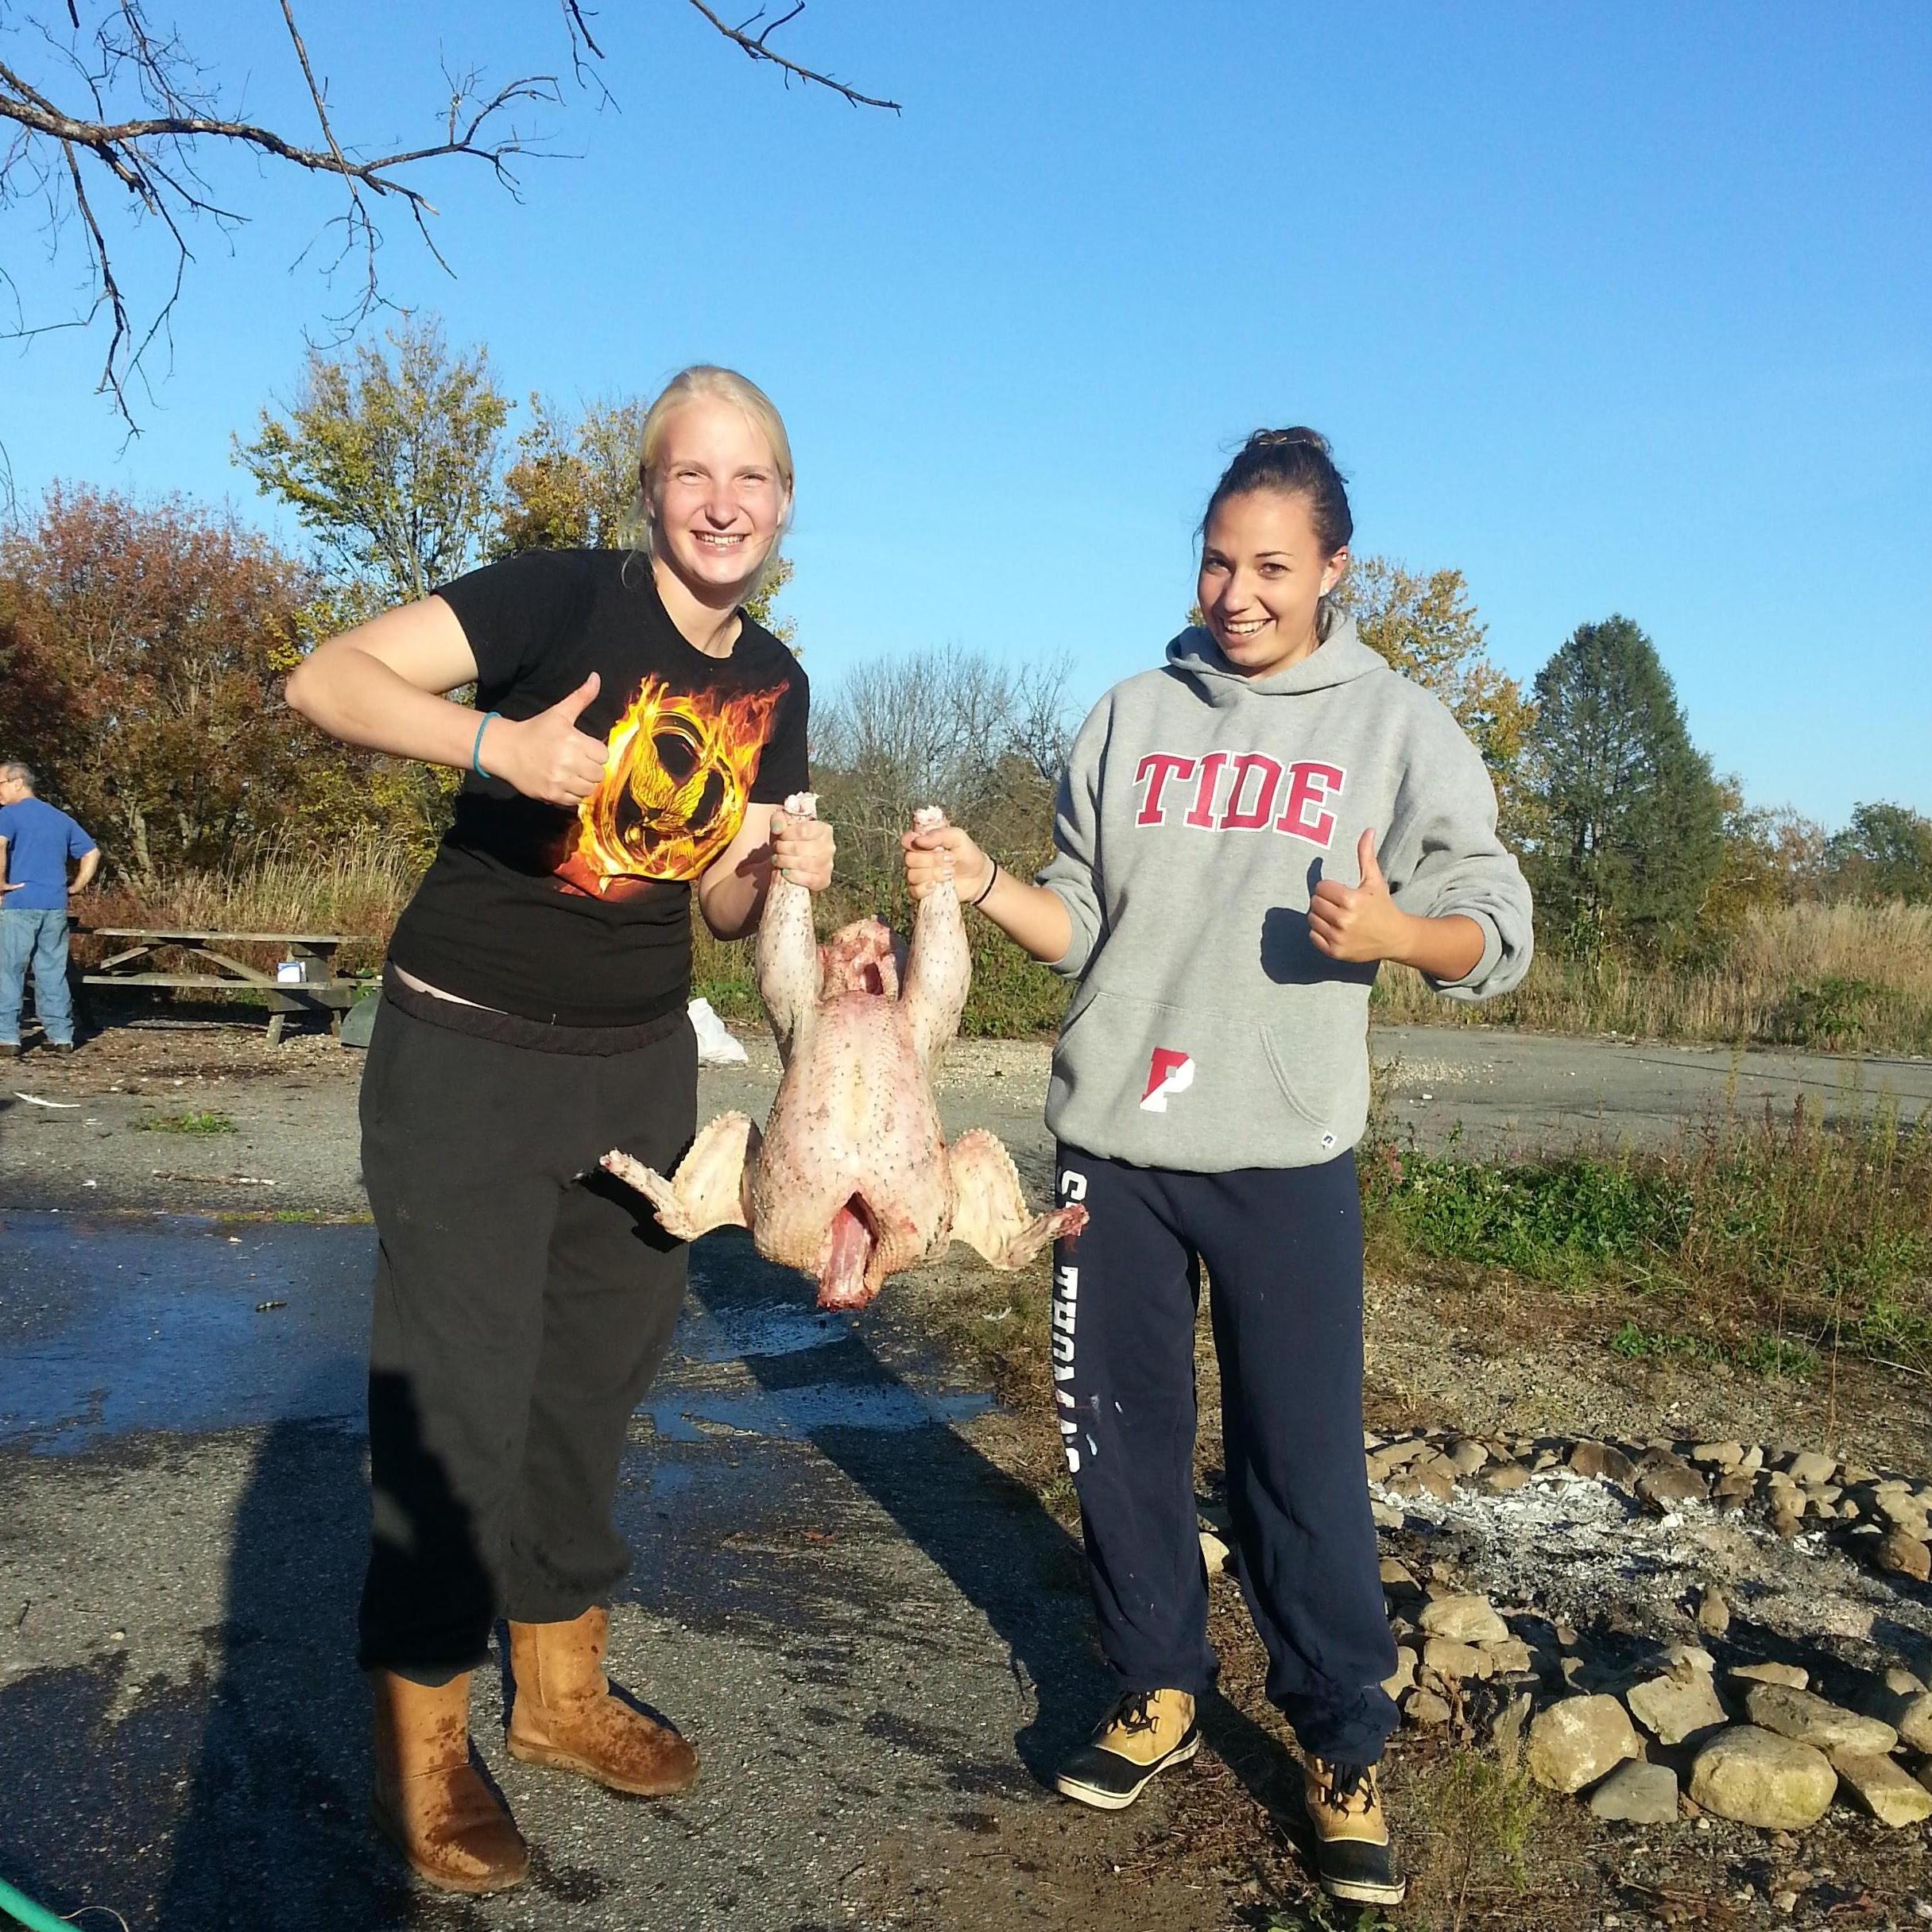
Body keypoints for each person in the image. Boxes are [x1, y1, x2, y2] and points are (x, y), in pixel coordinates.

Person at [903, 428, 1531, 1908]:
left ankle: (1339, 1744)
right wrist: (982, 884)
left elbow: (1497, 930)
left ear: (1330, 571)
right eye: (1216, 558)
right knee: (1116, 1441)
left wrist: (1396, 939)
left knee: (1297, 1466)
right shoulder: (1129, 715)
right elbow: (1083, 920)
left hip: (1283, 1159)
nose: (1237, 592)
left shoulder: (1396, 727)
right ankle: (1156, 1690)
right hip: (1111, 1151)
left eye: (1270, 565)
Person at [285, 366, 834, 1896]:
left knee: (593, 1382)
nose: (721, 503)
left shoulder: (777, 679)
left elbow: (714, 900)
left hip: (636, 1065)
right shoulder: (556, 601)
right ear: (649, 488)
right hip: (463, 1048)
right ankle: (430, 1743)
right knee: (457, 1397)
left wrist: (783, 864)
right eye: (692, 474)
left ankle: (564, 1691)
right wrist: (498, 751)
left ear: (786, 505)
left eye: (753, 479)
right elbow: (325, 682)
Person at [0, 761, 100, 1057]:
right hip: (54, 905)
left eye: (1, 784)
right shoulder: (60, 819)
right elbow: (92, 852)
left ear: (18, 782)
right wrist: (76, 887)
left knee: (9, 971)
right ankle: (61, 1036)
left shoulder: (8, 814)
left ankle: (7, 1037)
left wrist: (1, 883)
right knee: (52, 971)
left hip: (19, 904)